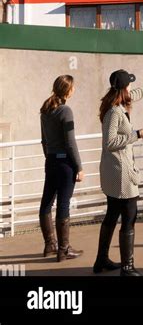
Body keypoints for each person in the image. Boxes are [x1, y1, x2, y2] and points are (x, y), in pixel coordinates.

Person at [93, 69, 143, 276]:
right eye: (129, 84)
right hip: (121, 173)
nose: (131, 87)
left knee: (111, 216)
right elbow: (109, 143)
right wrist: (136, 135)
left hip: (114, 171)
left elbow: (136, 93)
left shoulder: (118, 102)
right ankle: (127, 268)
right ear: (123, 88)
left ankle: (101, 260)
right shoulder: (114, 112)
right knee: (129, 217)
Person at [39, 74, 83, 262]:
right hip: (65, 164)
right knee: (63, 204)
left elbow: (44, 141)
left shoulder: (46, 110)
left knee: (47, 203)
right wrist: (79, 167)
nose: (74, 90)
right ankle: (63, 250)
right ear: (68, 90)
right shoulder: (65, 111)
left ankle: (50, 245)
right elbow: (70, 142)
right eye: (73, 87)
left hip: (51, 161)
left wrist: (50, 158)